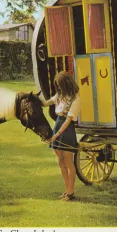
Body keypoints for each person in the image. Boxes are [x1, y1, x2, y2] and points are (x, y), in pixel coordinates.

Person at [42, 71, 80, 201]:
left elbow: (68, 121)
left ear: (65, 84)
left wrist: (55, 135)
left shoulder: (76, 100)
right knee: (61, 162)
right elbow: (45, 103)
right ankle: (67, 189)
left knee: (68, 161)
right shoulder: (59, 95)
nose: (57, 87)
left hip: (66, 129)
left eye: (59, 84)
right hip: (58, 124)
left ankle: (71, 191)